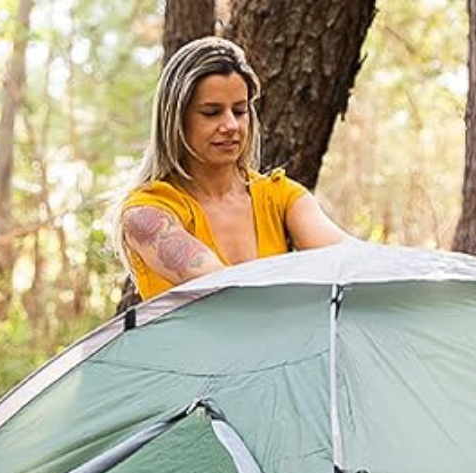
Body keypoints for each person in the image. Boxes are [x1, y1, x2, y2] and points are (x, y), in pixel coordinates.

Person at [111, 36, 352, 300]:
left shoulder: (280, 197)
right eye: (211, 112)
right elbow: (225, 292)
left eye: (239, 111)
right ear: (176, 119)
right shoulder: (146, 214)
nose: (231, 126)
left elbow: (348, 262)